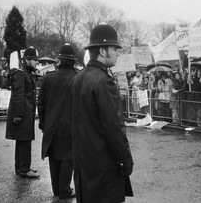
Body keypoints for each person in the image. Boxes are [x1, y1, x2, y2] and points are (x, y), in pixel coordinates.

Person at [70, 24, 133, 202]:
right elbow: (114, 128)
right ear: (103, 51)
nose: (118, 53)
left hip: (83, 166)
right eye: (115, 48)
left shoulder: (77, 78)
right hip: (103, 167)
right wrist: (125, 161)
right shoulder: (104, 81)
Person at [37, 44, 77, 200]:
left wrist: (43, 123)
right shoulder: (77, 78)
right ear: (73, 62)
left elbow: (41, 103)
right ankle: (64, 190)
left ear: (59, 60)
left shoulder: (48, 78)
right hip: (70, 126)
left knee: (53, 157)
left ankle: (56, 190)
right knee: (68, 158)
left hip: (51, 125)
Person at [5, 47, 40, 178]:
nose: (37, 63)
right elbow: (18, 95)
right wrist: (19, 115)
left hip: (25, 113)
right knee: (24, 141)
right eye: (34, 60)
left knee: (22, 141)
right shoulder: (21, 74)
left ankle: (20, 167)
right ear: (26, 60)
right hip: (23, 114)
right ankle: (24, 169)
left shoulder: (26, 73)